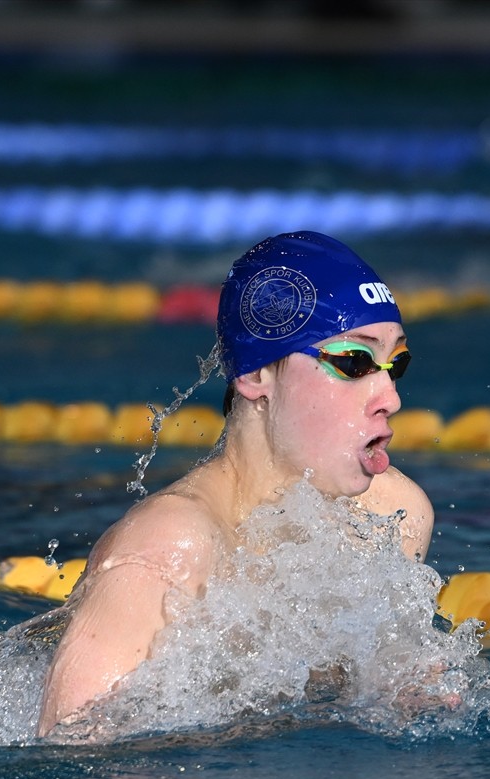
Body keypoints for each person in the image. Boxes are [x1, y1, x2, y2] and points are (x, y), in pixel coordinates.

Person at [37, 230, 434, 736]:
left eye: (396, 364)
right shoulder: (168, 550)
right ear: (256, 374)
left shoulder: (396, 514)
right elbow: (70, 753)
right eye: (354, 362)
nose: (390, 398)